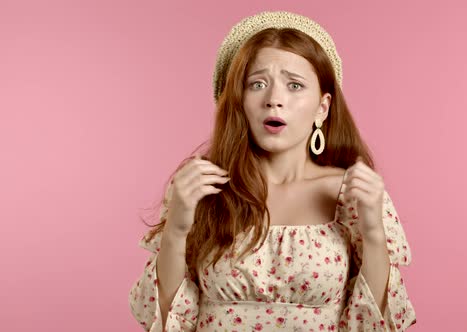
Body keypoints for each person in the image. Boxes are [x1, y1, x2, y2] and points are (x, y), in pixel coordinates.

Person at [128, 11, 416, 331]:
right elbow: (165, 318)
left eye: (294, 85)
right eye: (257, 84)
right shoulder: (201, 187)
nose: (274, 100)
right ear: (237, 102)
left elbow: (375, 323)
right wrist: (176, 231)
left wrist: (374, 232)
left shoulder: (354, 192)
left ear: (322, 107)